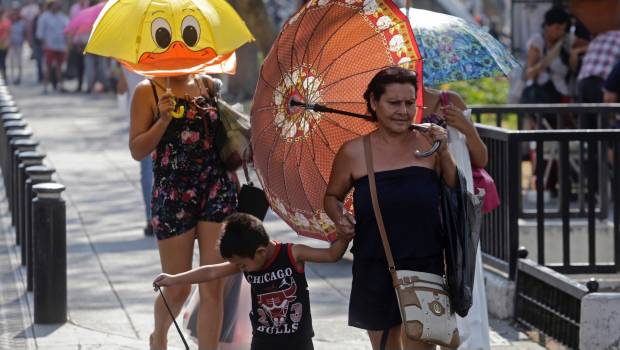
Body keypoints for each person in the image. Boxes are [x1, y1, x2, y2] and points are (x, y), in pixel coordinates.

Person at [324, 67, 457, 350]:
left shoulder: (429, 144)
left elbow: (455, 189)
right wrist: (339, 216)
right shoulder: (354, 152)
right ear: (373, 102)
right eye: (394, 103)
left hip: (426, 262)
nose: (404, 111)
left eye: (410, 103)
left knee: (421, 346)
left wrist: (445, 150)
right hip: (375, 263)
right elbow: (332, 196)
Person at [130, 72, 239, 350]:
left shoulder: (208, 84)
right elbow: (137, 149)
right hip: (173, 194)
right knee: (178, 288)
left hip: (216, 188)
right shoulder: (148, 91)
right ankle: (160, 336)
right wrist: (163, 119)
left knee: (213, 284)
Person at [154, 212, 352, 350]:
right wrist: (173, 279)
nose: (240, 270)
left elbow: (331, 255)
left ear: (260, 251)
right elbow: (211, 272)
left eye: (242, 266)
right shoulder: (247, 260)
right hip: (262, 341)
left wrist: (344, 236)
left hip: (298, 342)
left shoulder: (293, 254)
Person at [422, 87, 490, 350]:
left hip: (457, 208)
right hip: (421, 208)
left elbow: (481, 158)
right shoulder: (399, 107)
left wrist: (467, 128)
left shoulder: (450, 101)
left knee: (464, 282)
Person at [521, 6, 575, 107]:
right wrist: (545, 62)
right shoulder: (537, 42)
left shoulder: (566, 43)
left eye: (563, 29)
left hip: (563, 95)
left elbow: (572, 68)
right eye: (557, 28)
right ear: (547, 26)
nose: (560, 33)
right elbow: (529, 73)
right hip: (542, 96)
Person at [35, 0, 69, 93]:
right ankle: (45, 87)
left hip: (60, 46)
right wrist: (45, 43)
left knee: (59, 67)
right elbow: (40, 33)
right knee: (48, 67)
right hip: (49, 46)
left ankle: (61, 86)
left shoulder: (62, 17)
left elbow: (67, 30)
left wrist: (67, 44)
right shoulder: (44, 17)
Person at [8, 3, 27, 85]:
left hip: (19, 43)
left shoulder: (22, 22)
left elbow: (24, 33)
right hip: (11, 44)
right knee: (11, 61)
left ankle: (19, 76)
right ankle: (12, 77)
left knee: (19, 61)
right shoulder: (8, 22)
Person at [0, 8, 11, 83]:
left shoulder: (6, 22)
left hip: (4, 44)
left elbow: (8, 33)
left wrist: (6, 41)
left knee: (2, 61)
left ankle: (4, 76)